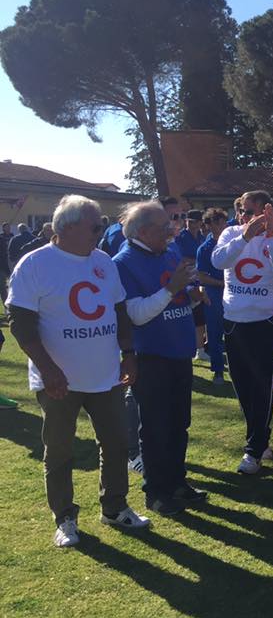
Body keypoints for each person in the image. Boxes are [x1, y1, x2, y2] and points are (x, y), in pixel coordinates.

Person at [6, 195, 150, 547]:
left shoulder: (103, 261)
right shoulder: (34, 264)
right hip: (58, 380)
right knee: (59, 451)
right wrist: (48, 369)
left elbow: (119, 311)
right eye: (95, 226)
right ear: (67, 228)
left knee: (116, 444)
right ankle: (65, 518)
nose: (101, 232)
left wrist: (129, 353)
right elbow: (20, 324)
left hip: (106, 375)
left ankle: (114, 506)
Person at [114, 202, 208, 516]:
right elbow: (136, 315)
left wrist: (193, 296)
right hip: (151, 355)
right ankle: (155, 491)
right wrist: (172, 289)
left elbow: (179, 296)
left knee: (179, 423)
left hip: (179, 351)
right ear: (143, 231)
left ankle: (177, 482)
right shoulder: (123, 263)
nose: (171, 231)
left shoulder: (167, 253)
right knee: (155, 427)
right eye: (164, 227)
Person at [211, 190, 273, 475]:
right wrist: (245, 235)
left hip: (266, 320)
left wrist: (270, 235)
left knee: (263, 383)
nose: (244, 216)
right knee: (242, 383)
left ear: (267, 212)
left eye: (251, 212)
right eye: (242, 211)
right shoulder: (232, 233)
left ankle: (253, 449)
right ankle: (260, 436)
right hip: (234, 319)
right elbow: (218, 261)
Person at [196, 208, 228, 384]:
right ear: (209, 225)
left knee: (234, 334)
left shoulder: (232, 243)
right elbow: (201, 276)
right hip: (214, 295)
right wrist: (222, 283)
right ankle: (218, 371)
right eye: (218, 222)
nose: (223, 226)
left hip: (234, 295)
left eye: (224, 222)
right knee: (214, 334)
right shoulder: (204, 249)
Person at [175, 209, 207, 360]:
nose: (190, 224)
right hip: (186, 280)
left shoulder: (202, 237)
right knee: (185, 316)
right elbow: (180, 259)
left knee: (200, 317)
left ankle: (200, 349)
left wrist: (196, 261)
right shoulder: (181, 237)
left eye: (193, 221)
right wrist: (197, 261)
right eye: (188, 221)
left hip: (200, 280)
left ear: (200, 223)